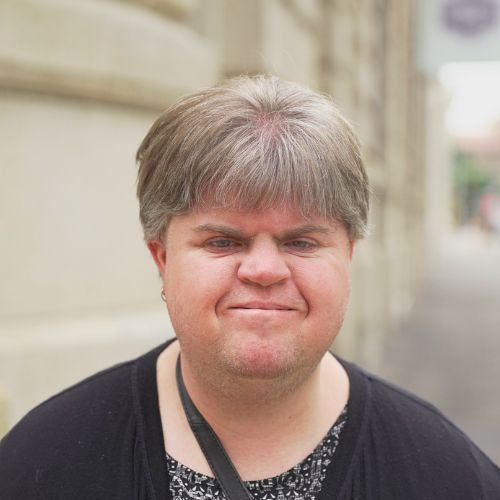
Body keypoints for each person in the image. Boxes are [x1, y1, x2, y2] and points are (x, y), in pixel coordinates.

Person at [0, 75, 499, 500]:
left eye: (301, 242)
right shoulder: (42, 465)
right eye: (222, 241)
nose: (263, 270)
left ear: (348, 254)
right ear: (162, 257)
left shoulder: (449, 476)